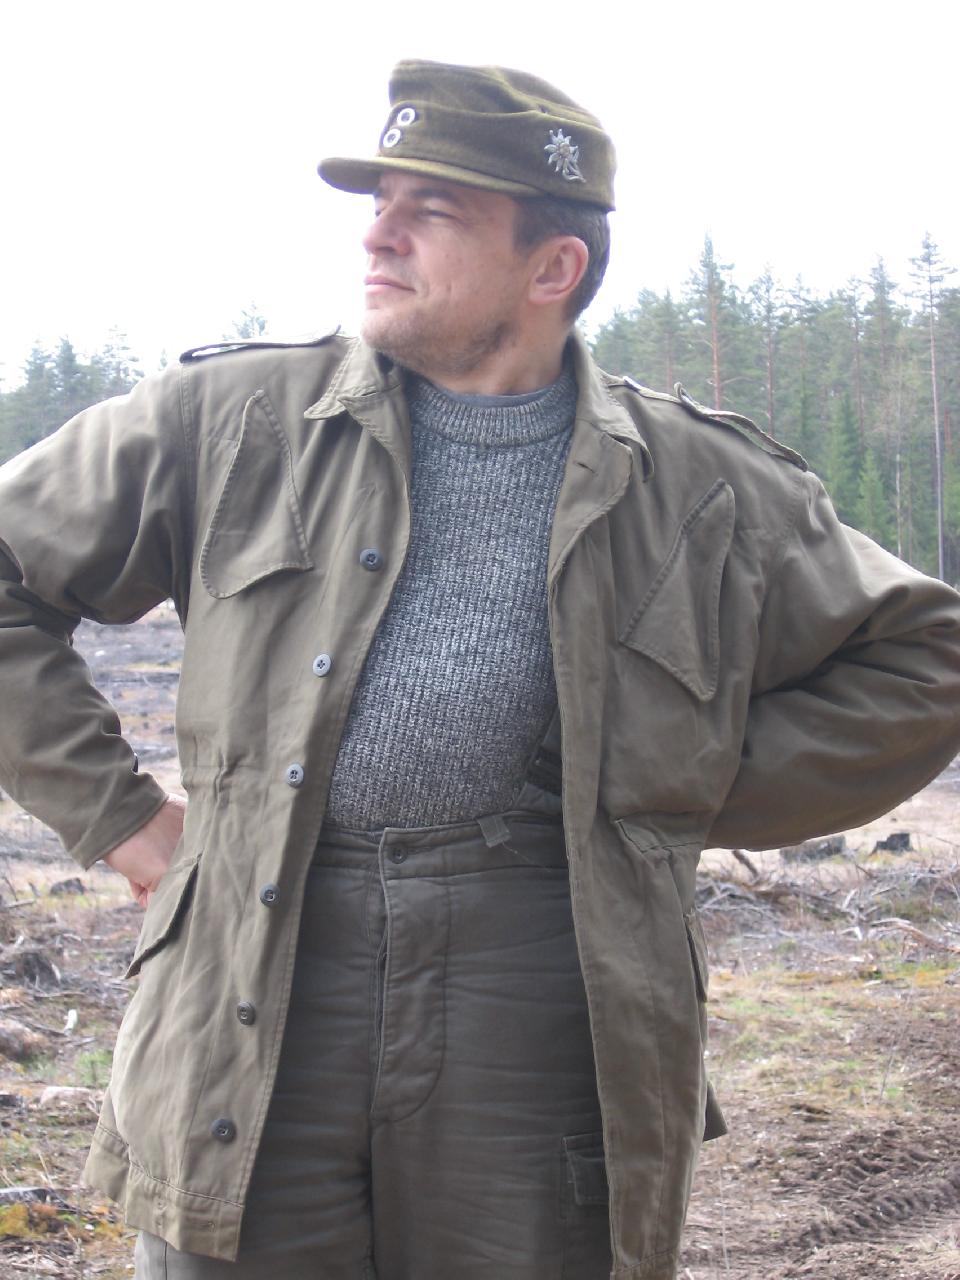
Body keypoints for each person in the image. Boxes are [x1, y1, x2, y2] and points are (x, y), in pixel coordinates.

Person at [1, 59, 959, 1280]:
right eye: (381, 202)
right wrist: (121, 817)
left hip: (542, 982)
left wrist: (653, 792)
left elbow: (927, 658)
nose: (378, 233)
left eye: (433, 209)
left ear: (552, 267)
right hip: (253, 966)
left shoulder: (700, 481)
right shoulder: (229, 419)